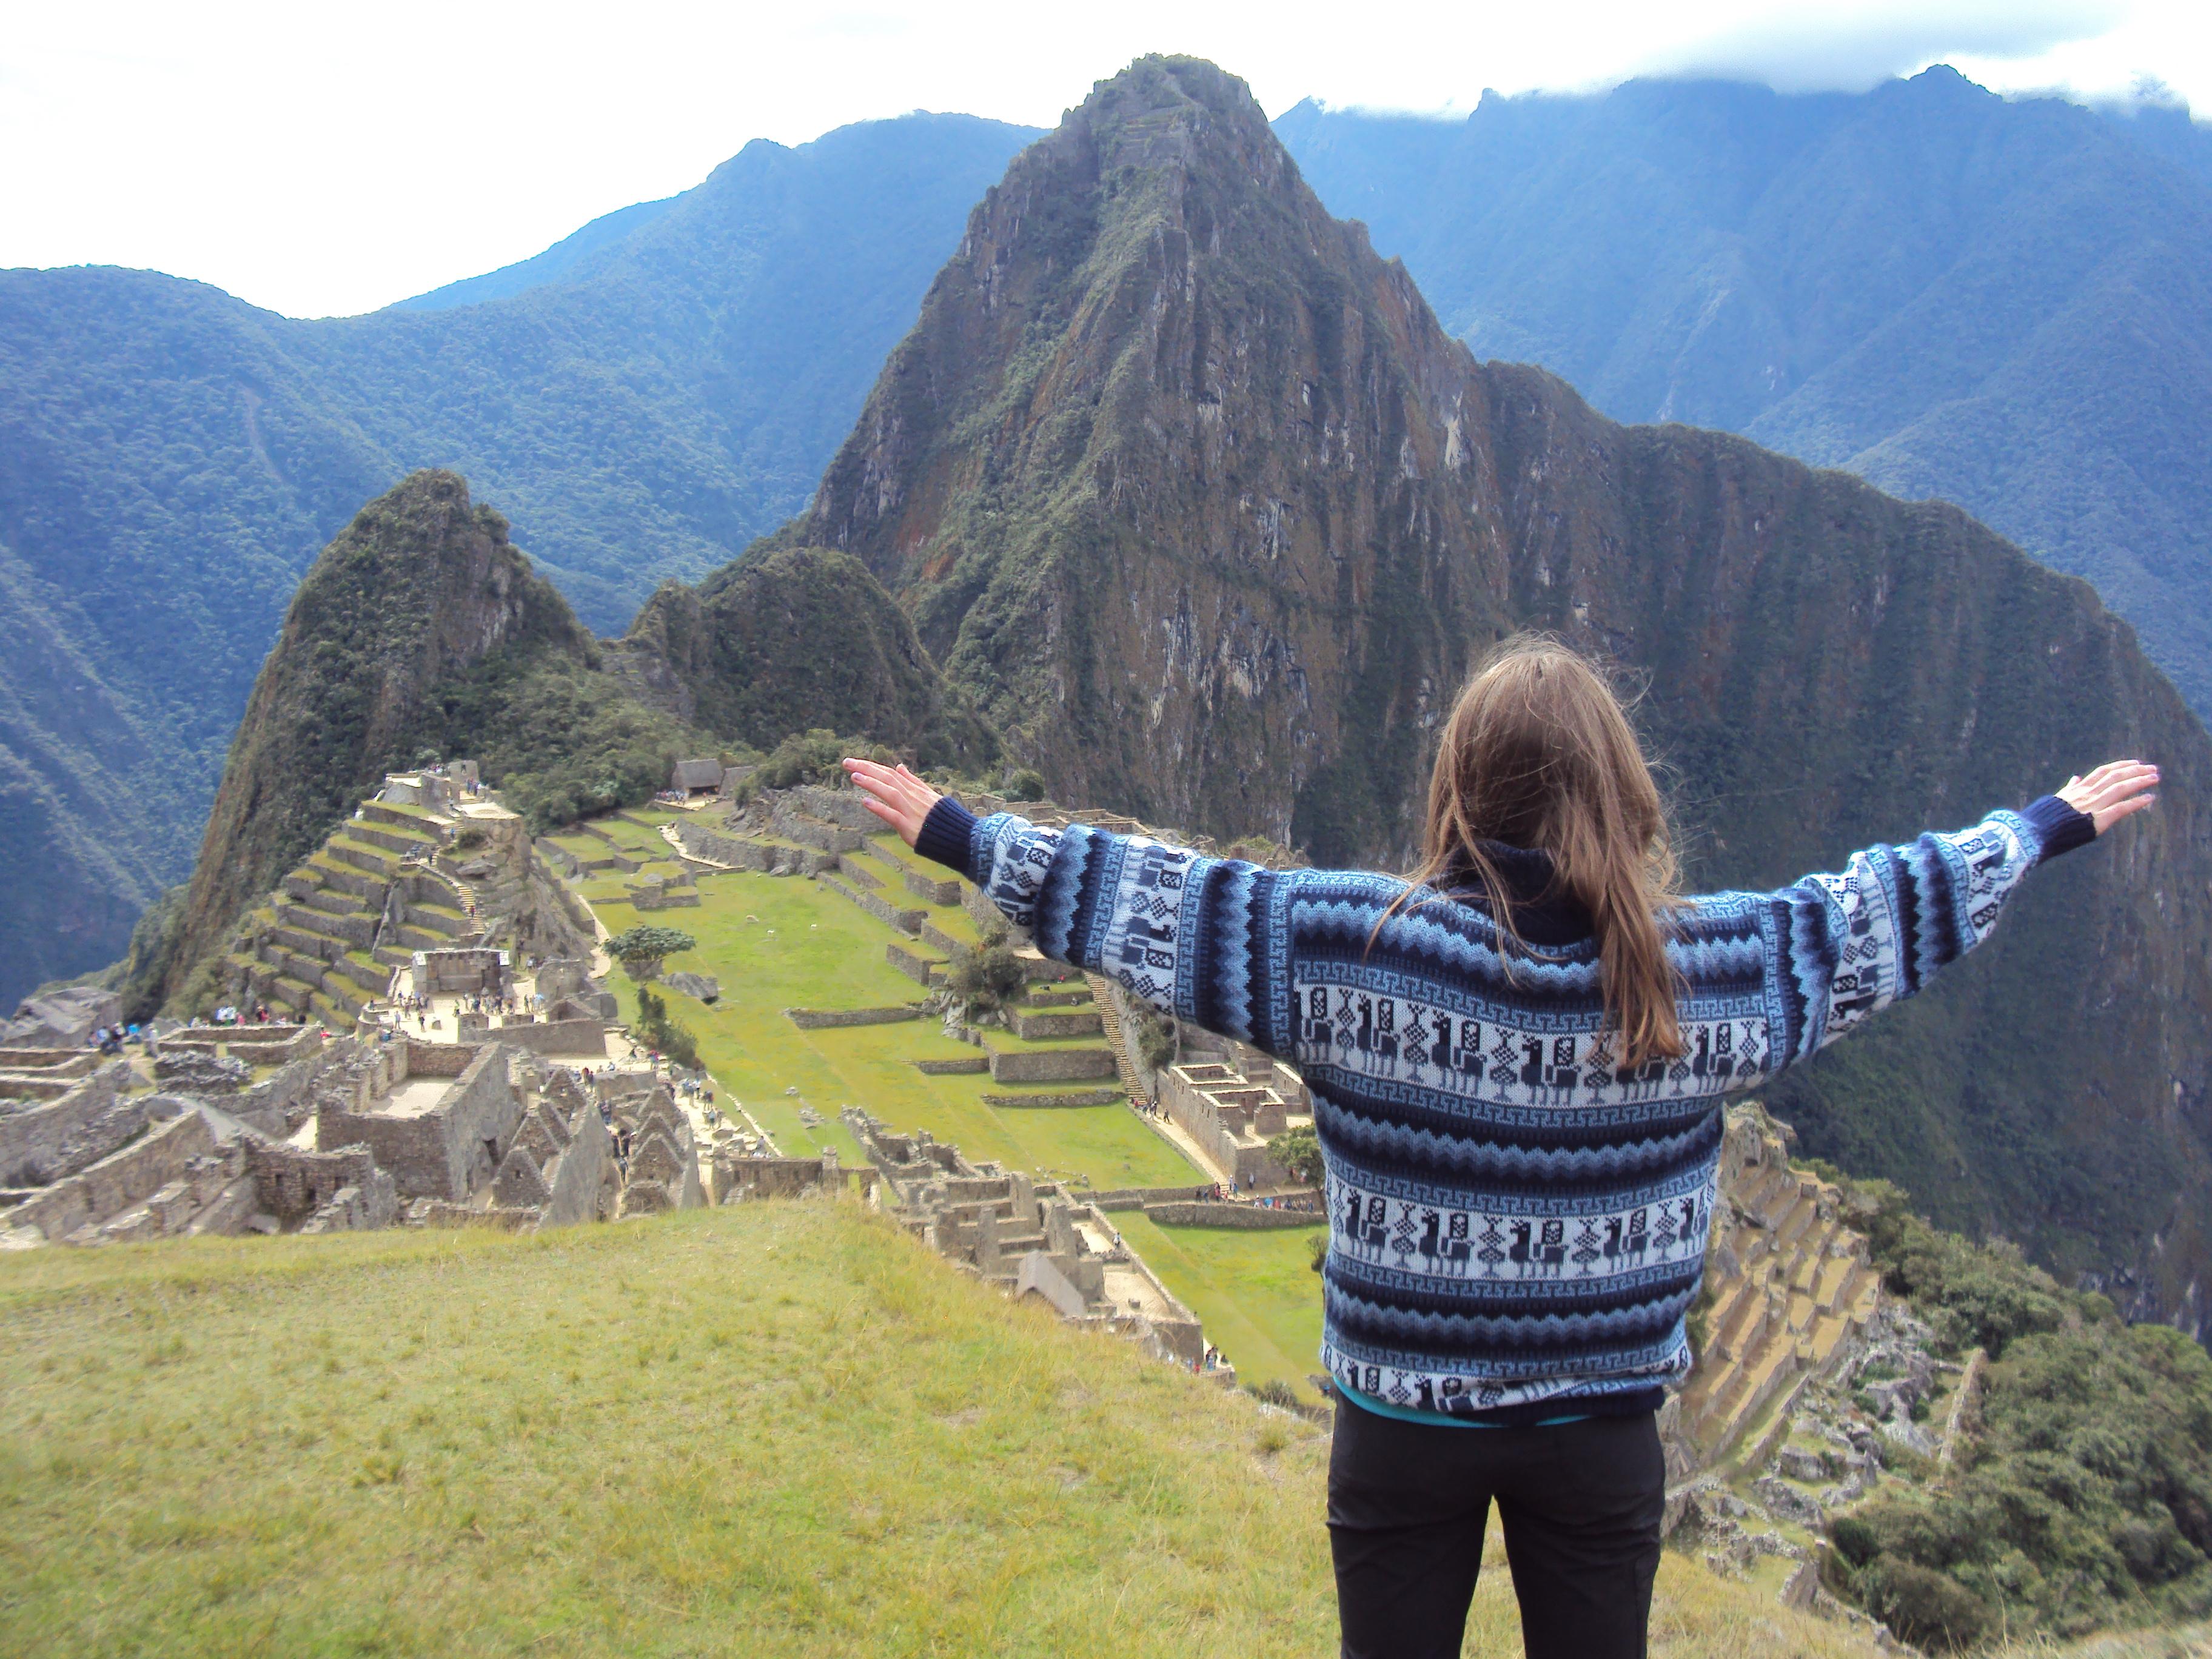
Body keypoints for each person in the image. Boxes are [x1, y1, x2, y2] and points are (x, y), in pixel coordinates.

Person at [844, 635, 2160, 1659]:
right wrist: (2036, 829)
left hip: (1400, 1416)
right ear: (1622, 789)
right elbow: (1866, 920)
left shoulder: (1354, 948)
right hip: (1599, 1427)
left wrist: (969, 836)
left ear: (1458, 786)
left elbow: (1161, 904)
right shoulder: (1702, 974)